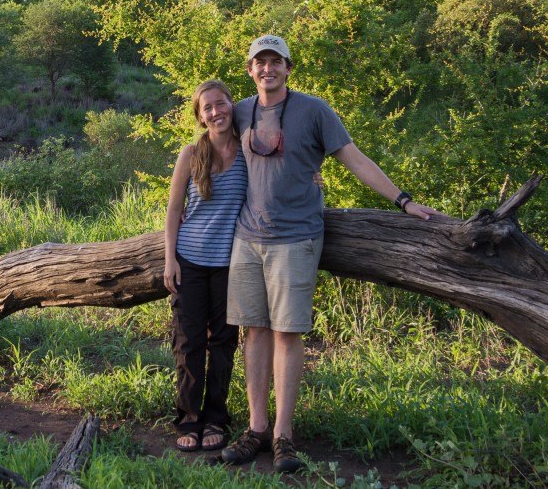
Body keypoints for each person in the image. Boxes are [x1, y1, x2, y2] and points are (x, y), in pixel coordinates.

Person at [220, 34, 439, 473]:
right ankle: (256, 429)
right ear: (249, 69)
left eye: (276, 61)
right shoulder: (239, 111)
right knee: (254, 332)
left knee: (286, 333)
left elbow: (353, 158)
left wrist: (404, 201)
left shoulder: (314, 110)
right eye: (260, 62)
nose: (268, 69)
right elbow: (210, 155)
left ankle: (283, 436)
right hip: (247, 239)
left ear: (289, 67)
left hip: (296, 237)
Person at [164, 79, 246, 453]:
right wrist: (170, 259)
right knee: (189, 342)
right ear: (200, 117)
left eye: (220, 103)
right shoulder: (190, 155)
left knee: (225, 343)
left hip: (232, 264)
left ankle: (216, 418)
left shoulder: (249, 151)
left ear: (232, 104)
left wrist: (313, 176)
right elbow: (173, 211)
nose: (216, 111)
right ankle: (189, 418)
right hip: (191, 261)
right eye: (207, 108)